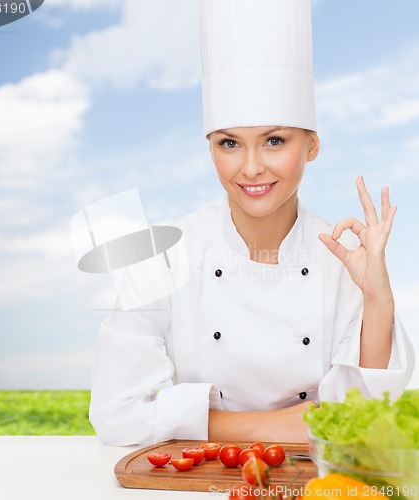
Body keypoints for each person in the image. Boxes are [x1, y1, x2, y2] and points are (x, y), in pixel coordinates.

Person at [89, 0, 415, 446]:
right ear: (210, 147)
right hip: (198, 481)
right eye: (229, 144)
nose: (251, 167)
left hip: (307, 482)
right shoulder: (164, 255)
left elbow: (366, 412)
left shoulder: (343, 259)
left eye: (274, 140)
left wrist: (378, 298)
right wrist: (267, 428)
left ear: (312, 144)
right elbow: (115, 412)